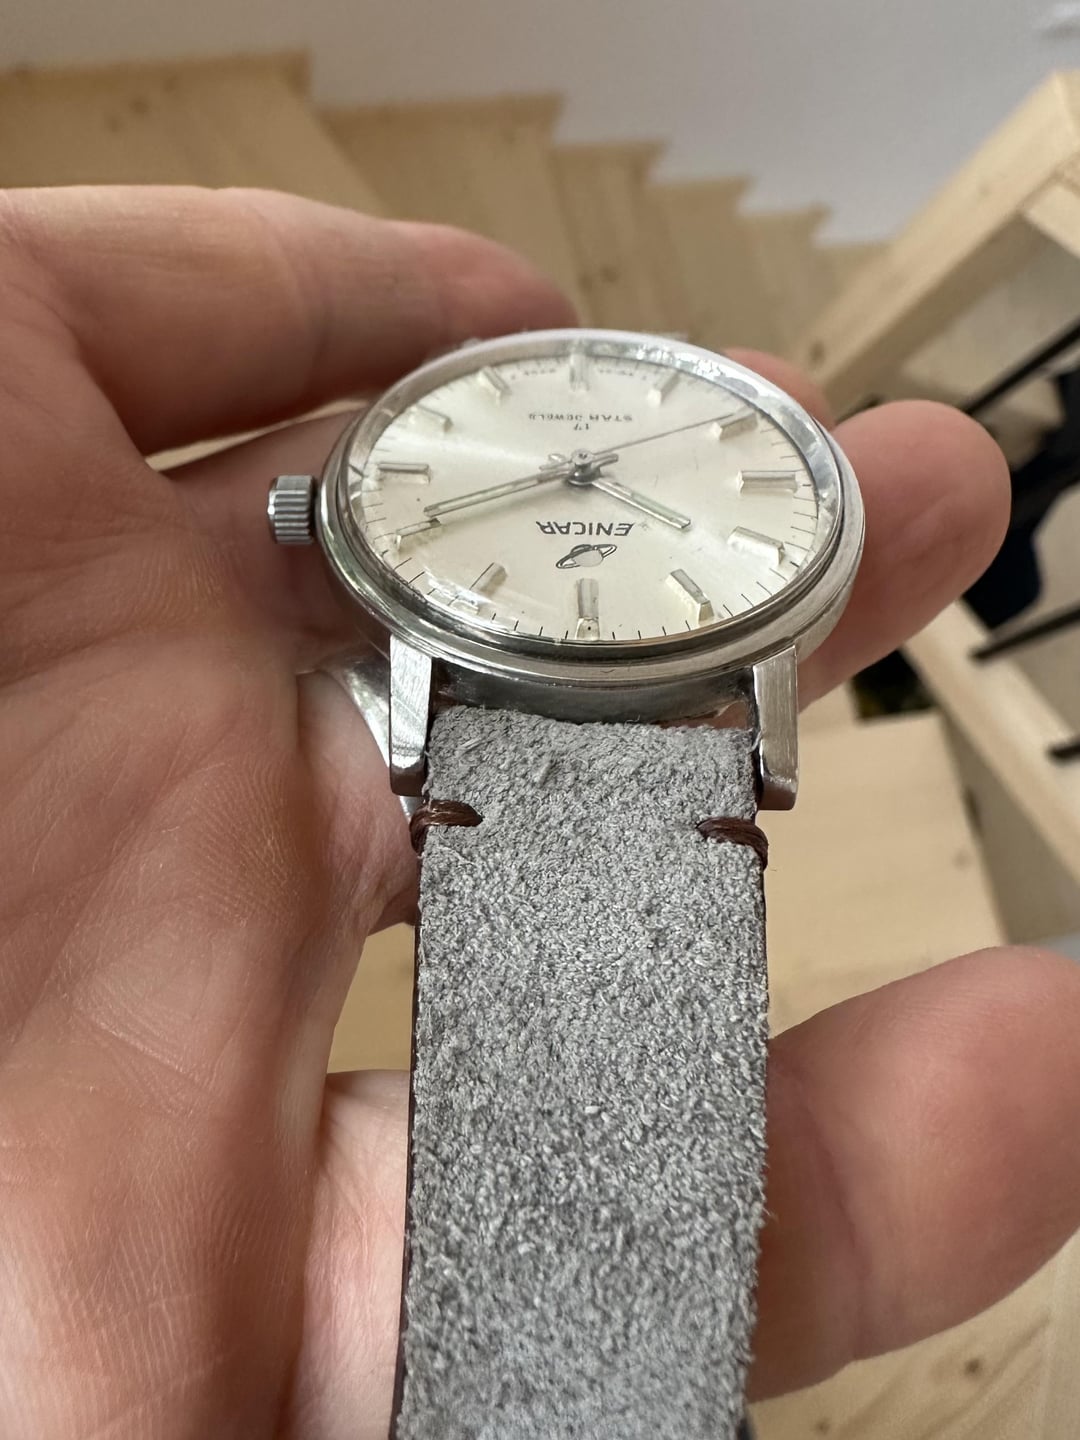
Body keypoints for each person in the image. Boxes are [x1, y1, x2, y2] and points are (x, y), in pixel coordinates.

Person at [1, 184, 1078, 1438]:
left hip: (664, 685)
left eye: (601, 462)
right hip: (511, 683)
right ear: (322, 514)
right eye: (558, 464)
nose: (579, 471)